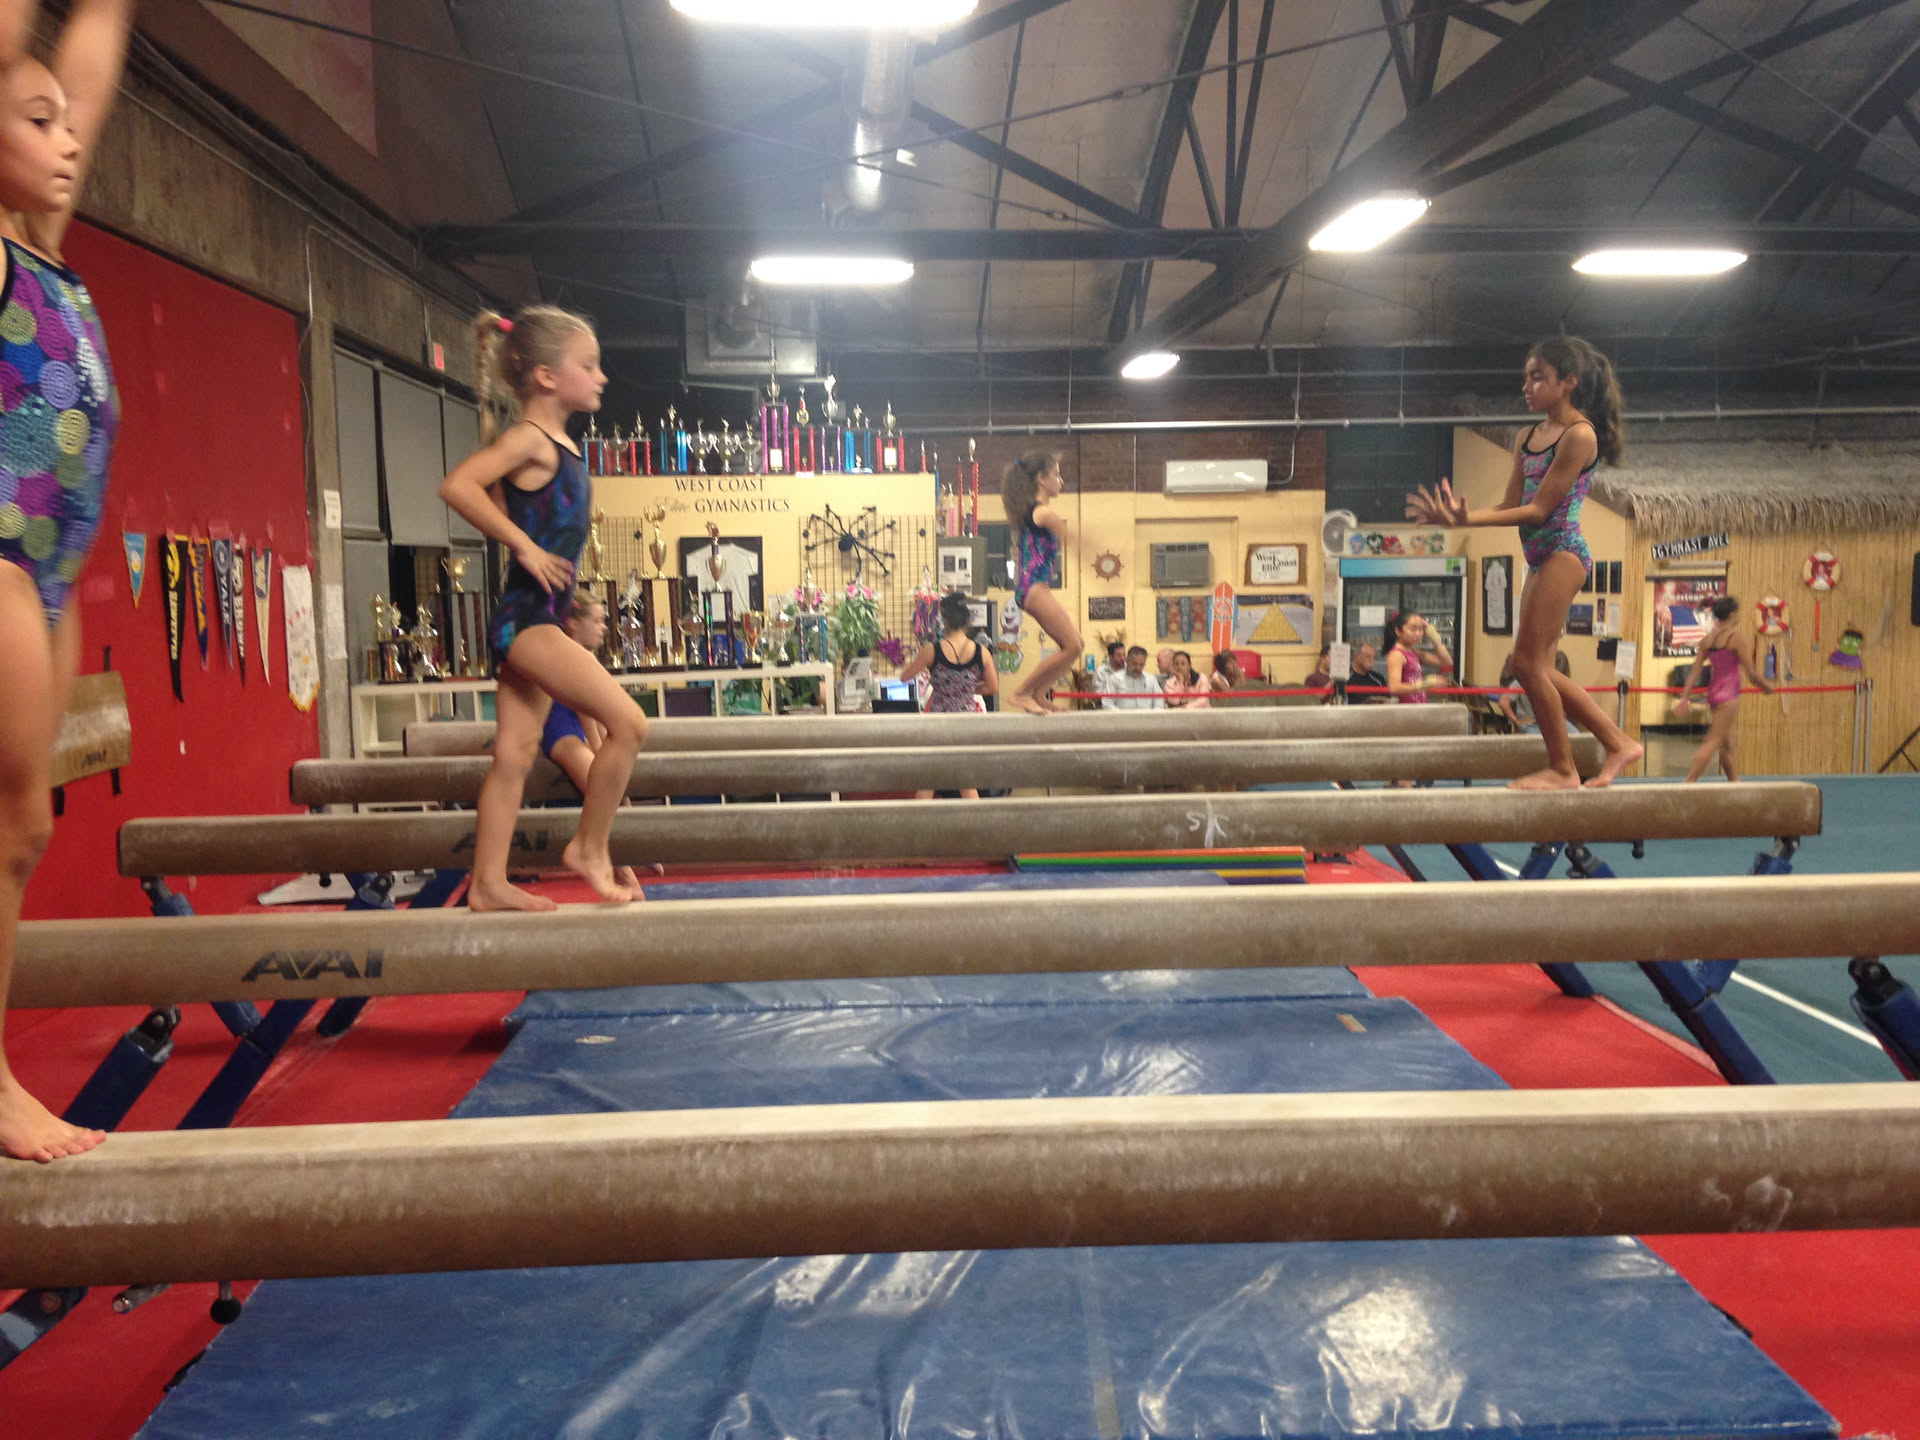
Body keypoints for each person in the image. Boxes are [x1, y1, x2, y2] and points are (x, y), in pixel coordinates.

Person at [0, 0, 132, 1162]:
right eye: (37, 122)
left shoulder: (42, 248)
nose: (69, 135)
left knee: (21, 827)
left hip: (45, 574)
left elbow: (80, 75)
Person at [439, 306, 649, 911]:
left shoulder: (562, 445)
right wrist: (523, 545)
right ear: (547, 376)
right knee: (631, 724)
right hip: (528, 621)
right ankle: (589, 846)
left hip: (532, 621)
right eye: (589, 365)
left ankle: (486, 883)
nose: (601, 376)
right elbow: (457, 485)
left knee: (513, 757)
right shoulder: (530, 439)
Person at [1408, 336, 1643, 789]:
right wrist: (1458, 518)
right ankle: (1618, 743)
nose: (1526, 387)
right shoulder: (1527, 437)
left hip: (1563, 552)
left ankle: (1564, 769)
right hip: (1539, 557)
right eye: (1526, 378)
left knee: (1526, 663)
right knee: (1541, 668)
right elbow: (1509, 505)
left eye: (1538, 377)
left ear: (1569, 382)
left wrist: (1467, 520)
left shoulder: (1579, 436)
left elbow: (1538, 511)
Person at [539, 590, 645, 890]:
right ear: (573, 624)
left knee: (613, 784)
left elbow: (602, 718)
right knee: (601, 785)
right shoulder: (570, 657)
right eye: (597, 621)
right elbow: (587, 715)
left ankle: (634, 851)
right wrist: (602, 757)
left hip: (578, 728)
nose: (604, 627)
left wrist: (612, 761)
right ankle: (622, 869)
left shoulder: (587, 658)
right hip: (560, 731)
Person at [1000, 451, 1082, 713]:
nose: (1061, 481)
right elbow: (1076, 539)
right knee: (1071, 646)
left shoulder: (1032, 511)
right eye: (1057, 474)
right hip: (1033, 586)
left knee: (1077, 645)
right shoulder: (1043, 512)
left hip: (1032, 586)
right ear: (1041, 479)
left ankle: (1037, 693)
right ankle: (1022, 692)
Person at [899, 589, 998, 798]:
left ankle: (914, 820)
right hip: (967, 722)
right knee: (966, 782)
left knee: (928, 780)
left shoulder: (932, 651)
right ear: (967, 621)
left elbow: (904, 677)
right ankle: (980, 820)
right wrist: (968, 688)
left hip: (938, 722)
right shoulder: (982, 652)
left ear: (944, 621)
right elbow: (992, 687)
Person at [1678, 595, 1774, 783]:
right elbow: (1751, 673)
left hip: (1714, 694)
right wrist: (1766, 686)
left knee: (1727, 744)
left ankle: (1735, 784)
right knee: (1713, 741)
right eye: (1737, 613)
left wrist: (1685, 698)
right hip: (1729, 695)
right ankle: (1688, 783)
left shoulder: (1708, 640)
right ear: (1732, 615)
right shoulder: (1736, 638)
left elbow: (1695, 672)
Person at [1383, 610, 1454, 704]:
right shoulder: (1396, 655)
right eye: (1413, 629)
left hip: (1418, 707)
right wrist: (1425, 683)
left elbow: (1447, 662)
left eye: (1421, 629)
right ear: (1398, 631)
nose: (1418, 634)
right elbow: (1394, 688)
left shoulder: (1413, 652)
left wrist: (1435, 638)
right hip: (1407, 709)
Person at [1497, 649, 1573, 733]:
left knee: (1576, 736)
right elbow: (1503, 703)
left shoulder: (1559, 683)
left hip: (1555, 722)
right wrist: (1517, 721)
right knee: (1539, 739)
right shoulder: (1521, 681)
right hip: (1531, 724)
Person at [1094, 640, 1127, 710]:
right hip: (1106, 708)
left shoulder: (1129, 670)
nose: (1123, 658)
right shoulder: (1101, 671)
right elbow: (1098, 695)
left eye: (1124, 655)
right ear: (1110, 656)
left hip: (1127, 706)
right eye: (1119, 655)